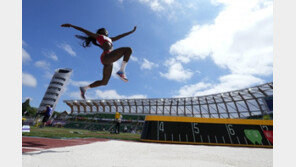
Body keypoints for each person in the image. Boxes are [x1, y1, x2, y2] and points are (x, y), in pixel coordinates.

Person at [61, 23, 137, 99]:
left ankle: (84, 88)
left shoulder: (111, 39)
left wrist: (131, 31)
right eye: (105, 31)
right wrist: (71, 25)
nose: (107, 32)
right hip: (106, 56)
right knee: (128, 49)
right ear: (101, 32)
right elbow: (84, 30)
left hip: (109, 61)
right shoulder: (99, 36)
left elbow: (121, 36)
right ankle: (121, 71)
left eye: (107, 32)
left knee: (104, 82)